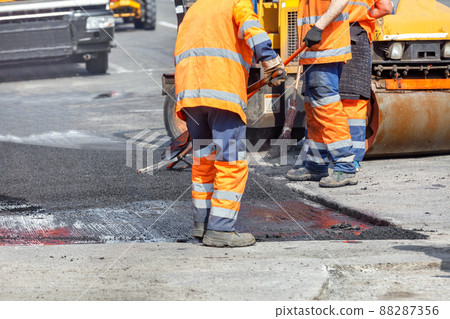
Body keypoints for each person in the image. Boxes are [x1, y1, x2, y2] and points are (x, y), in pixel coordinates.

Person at [174, 0, 286, 247]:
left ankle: (202, 225)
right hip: (221, 93)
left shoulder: (195, 10)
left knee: (204, 161)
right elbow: (253, 30)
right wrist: (271, 60)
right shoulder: (236, 3)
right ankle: (221, 230)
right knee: (230, 161)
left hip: (189, 96)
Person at [286, 0, 357, 187]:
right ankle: (316, 164)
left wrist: (318, 27)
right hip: (315, 51)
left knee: (327, 109)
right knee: (313, 110)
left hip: (326, 48)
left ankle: (345, 166)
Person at [340, 0, 393, 170]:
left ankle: (323, 155)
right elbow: (386, 7)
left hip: (328, 36)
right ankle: (353, 159)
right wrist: (363, 14)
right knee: (354, 100)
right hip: (357, 35)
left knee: (325, 99)